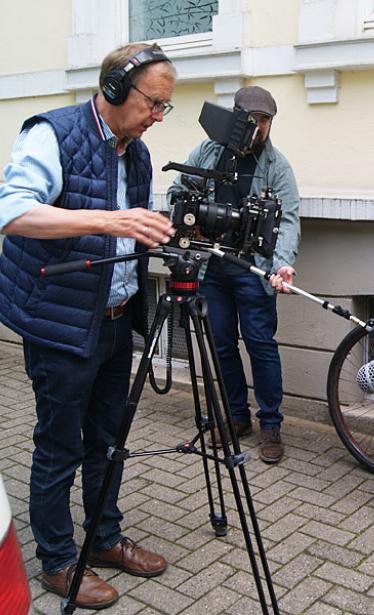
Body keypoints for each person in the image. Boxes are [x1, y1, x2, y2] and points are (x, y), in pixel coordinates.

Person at [0, 43, 177, 609]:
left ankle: (103, 539)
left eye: (164, 108)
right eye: (153, 103)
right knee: (60, 447)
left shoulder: (138, 152)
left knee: (108, 440)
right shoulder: (51, 132)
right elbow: (10, 211)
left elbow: (128, 232)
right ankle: (56, 559)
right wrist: (109, 218)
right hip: (58, 322)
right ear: (116, 89)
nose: (157, 116)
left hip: (114, 320)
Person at [170, 85, 300, 464]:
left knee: (261, 345)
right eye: (252, 120)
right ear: (235, 118)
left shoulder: (278, 167)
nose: (259, 128)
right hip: (212, 267)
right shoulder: (206, 152)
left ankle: (271, 424)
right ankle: (236, 416)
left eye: (265, 121)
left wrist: (282, 264)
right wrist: (187, 216)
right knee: (221, 344)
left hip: (254, 271)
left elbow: (288, 219)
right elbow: (178, 193)